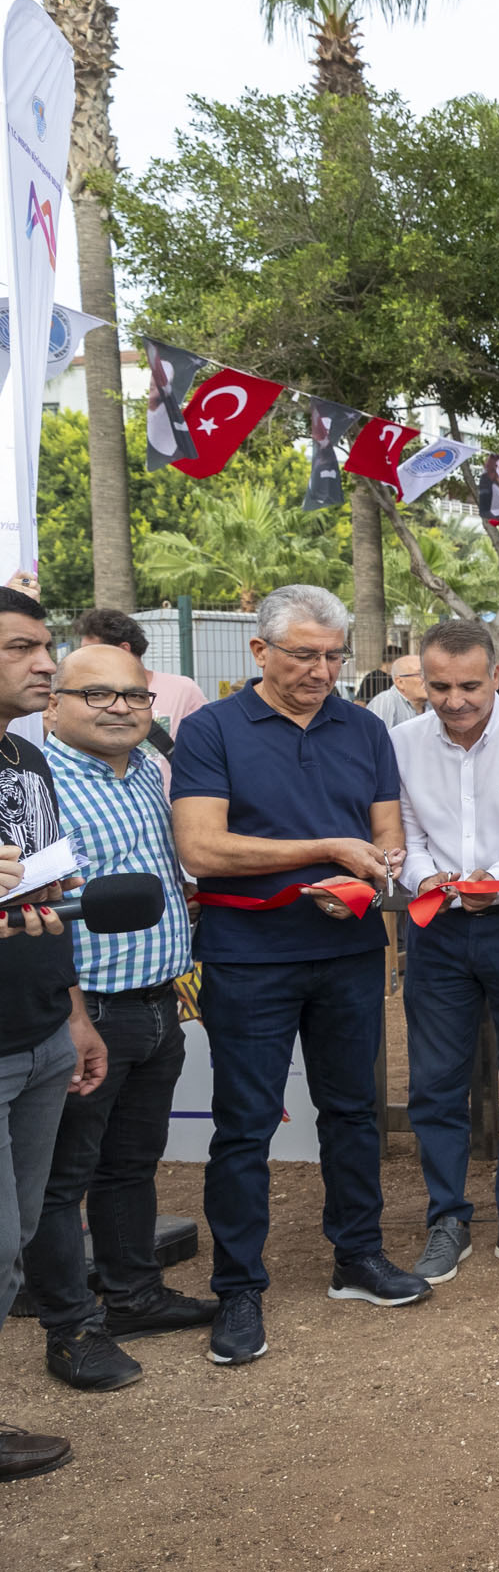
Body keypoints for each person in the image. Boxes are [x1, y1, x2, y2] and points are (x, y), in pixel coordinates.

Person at [170, 586, 426, 1369]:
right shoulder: (210, 729)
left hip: (348, 948)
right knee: (245, 1124)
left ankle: (358, 1255)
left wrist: (369, 868)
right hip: (248, 954)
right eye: (304, 654)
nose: (322, 669)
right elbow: (203, 850)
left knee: (354, 1110)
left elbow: (388, 840)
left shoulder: (363, 727)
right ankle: (238, 1286)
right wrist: (328, 849)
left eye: (333, 655)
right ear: (259, 652)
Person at [27, 647, 217, 1395]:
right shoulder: (37, 784)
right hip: (89, 1012)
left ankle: (133, 1295)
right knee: (60, 1181)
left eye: (133, 694)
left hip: (156, 1002)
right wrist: (75, 1014)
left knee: (132, 1165)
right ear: (53, 706)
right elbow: (41, 911)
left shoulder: (143, 769)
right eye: (96, 692)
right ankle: (71, 1329)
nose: (119, 706)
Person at [394, 620, 499, 1286]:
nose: (456, 699)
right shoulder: (401, 741)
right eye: (439, 685)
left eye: (470, 684)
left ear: (495, 675)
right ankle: (448, 1218)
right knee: (436, 1080)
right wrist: (424, 877)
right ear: (422, 681)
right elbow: (403, 831)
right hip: (435, 927)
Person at [0, 589, 107, 1480]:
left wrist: (71, 1014)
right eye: (21, 649)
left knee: (19, 1235)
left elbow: (45, 904)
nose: (45, 663)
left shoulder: (24, 766)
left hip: (38, 1033)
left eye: (45, 646)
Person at [74, 607, 207, 740]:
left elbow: (205, 741)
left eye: (92, 652)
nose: (85, 660)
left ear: (123, 650)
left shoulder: (182, 690)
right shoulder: (88, 696)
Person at [363, 654, 428, 728]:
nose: (429, 679)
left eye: (429, 673)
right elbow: (376, 737)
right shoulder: (385, 702)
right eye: (421, 674)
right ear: (400, 682)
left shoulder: (433, 703)